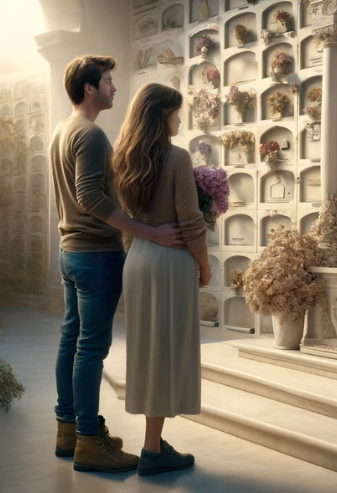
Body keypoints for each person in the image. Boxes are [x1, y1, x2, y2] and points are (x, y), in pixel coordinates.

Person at [50, 55, 184, 473]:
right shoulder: (89, 135)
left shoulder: (61, 129)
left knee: (71, 339)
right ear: (89, 88)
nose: (113, 87)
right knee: (91, 347)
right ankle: (90, 441)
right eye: (107, 81)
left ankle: (68, 429)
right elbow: (90, 196)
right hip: (95, 254)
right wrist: (147, 232)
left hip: (69, 250)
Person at [112, 83, 212, 476]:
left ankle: (154, 445)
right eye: (176, 112)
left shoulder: (124, 160)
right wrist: (204, 265)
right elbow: (190, 218)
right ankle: (153, 451)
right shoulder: (177, 158)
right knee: (168, 352)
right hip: (170, 261)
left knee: (148, 351)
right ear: (161, 116)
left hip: (137, 257)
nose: (180, 119)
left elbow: (126, 219)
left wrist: (138, 244)